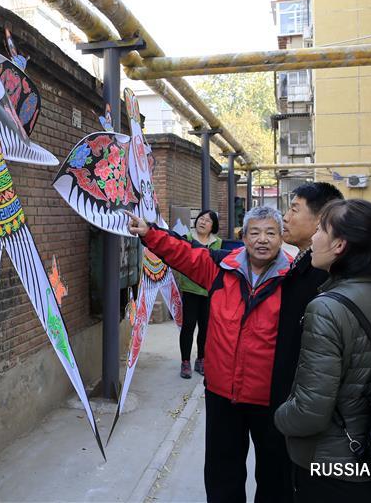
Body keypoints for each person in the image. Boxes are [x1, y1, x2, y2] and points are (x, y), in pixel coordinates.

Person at [127, 206, 292, 503]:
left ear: (282, 237)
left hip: (271, 397)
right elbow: (182, 253)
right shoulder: (220, 267)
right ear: (244, 237)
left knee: (275, 475)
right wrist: (150, 233)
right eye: (255, 232)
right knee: (222, 473)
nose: (262, 240)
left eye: (270, 232)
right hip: (222, 392)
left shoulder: (293, 279)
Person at [274, 199, 371, 503]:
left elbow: (310, 413)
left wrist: (278, 417)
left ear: (339, 245)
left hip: (334, 471)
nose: (313, 238)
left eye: (321, 229)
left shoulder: (326, 307)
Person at [268, 182, 344, 502]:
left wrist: (288, 413)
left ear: (321, 220)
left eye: (294, 209)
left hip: (303, 420)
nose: (285, 217)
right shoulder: (303, 265)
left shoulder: (323, 279)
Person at [177, 209, 221, 379]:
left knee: (206, 328)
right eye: (201, 219)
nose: (203, 222)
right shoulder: (187, 239)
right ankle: (185, 361)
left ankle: (201, 359)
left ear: (213, 226)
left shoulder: (218, 243)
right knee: (188, 326)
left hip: (209, 291)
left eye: (208, 221)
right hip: (190, 289)